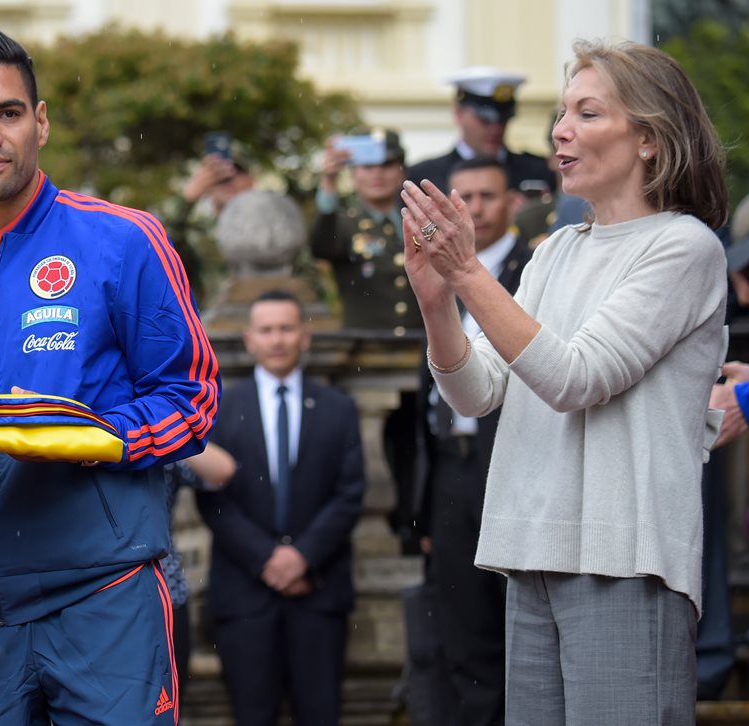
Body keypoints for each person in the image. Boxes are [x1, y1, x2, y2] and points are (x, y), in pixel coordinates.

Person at [0, 24, 219, 725]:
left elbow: (192, 401)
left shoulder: (125, 240)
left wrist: (88, 435)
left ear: (41, 122)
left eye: (8, 112)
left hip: (104, 592)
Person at [400, 39, 727, 723]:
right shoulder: (557, 254)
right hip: (531, 549)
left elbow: (576, 378)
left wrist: (468, 276)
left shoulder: (684, 246)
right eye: (560, 113)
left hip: (625, 555)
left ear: (649, 138)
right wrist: (437, 301)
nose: (560, 131)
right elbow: (476, 391)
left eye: (587, 112)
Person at [196, 289, 365, 726]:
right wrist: (267, 558)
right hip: (244, 595)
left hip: (318, 591)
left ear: (305, 336)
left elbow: (350, 495)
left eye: (286, 328)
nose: (277, 339)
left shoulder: (339, 409)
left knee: (321, 713)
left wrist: (301, 557)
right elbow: (212, 499)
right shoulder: (219, 410)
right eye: (266, 330)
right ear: (249, 339)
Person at [410, 158, 531, 726]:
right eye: (468, 196)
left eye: (489, 195)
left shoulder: (539, 268)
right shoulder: (426, 265)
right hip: (452, 475)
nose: (477, 207)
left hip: (516, 465)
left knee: (523, 626)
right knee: (460, 629)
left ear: (513, 203)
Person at [310, 128, 421, 333]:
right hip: (365, 349)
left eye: (387, 165)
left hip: (424, 347)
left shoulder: (420, 221)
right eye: (367, 166)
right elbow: (322, 247)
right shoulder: (343, 223)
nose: (377, 174)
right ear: (353, 173)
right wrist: (329, 181)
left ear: (402, 171)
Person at [407, 67, 556, 202]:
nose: (495, 128)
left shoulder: (539, 170)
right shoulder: (424, 177)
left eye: (503, 119)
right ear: (458, 114)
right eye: (485, 119)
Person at [160, 444, 236, 711]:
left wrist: (161, 422)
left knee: (166, 709)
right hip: (91, 595)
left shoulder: (155, 437)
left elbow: (222, 470)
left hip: (164, 594)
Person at [160, 144, 255, 305]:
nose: (226, 181)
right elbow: (157, 242)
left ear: (251, 180)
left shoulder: (270, 227)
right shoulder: (194, 233)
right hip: (210, 326)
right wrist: (187, 199)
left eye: (234, 172)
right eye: (216, 174)